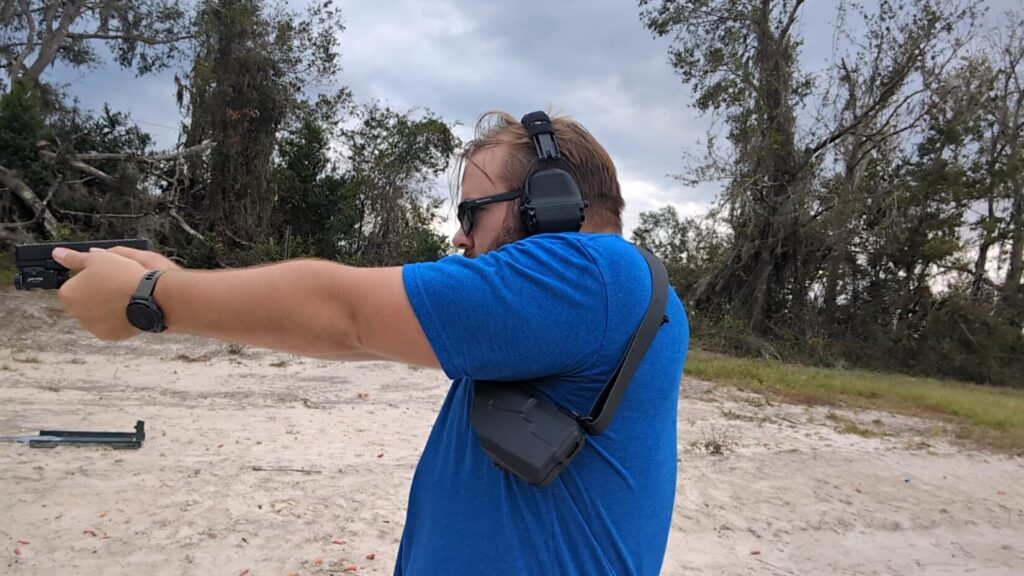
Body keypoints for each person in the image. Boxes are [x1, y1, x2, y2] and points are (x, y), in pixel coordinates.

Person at [54, 110, 689, 575]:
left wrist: (151, 299)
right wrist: (169, 283)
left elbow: (345, 312)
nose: (461, 239)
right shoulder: (594, 298)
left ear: (551, 203)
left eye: (473, 212)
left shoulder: (595, 276)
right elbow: (360, 339)